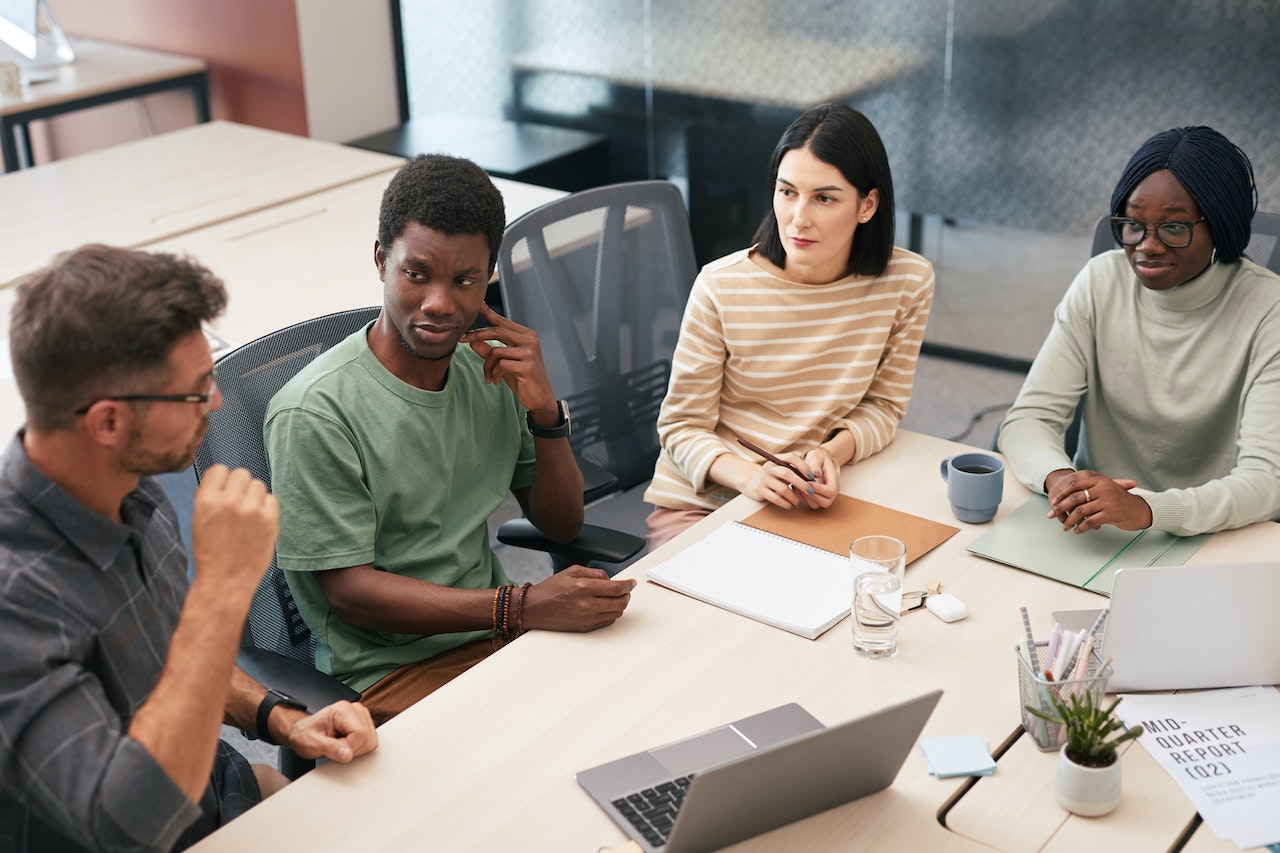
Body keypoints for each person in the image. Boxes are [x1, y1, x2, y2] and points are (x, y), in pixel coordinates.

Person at [0, 245, 378, 853]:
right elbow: (130, 822)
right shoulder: (16, 599)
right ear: (106, 423)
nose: (218, 403)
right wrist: (224, 587)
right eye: (196, 390)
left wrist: (281, 718)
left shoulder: (131, 489)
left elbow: (175, 665)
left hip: (210, 792)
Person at [264, 154, 636, 725]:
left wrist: (543, 409)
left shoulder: (487, 369)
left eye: (464, 280)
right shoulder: (315, 411)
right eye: (417, 274)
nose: (440, 304)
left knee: (632, 707)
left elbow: (561, 526)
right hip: (390, 674)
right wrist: (520, 606)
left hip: (497, 635)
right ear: (381, 260)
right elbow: (349, 593)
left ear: (487, 276)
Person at [642, 103, 936, 547]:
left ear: (867, 205)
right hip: (707, 503)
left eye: (824, 198)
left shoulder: (907, 282)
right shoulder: (722, 286)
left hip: (814, 497)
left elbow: (884, 407)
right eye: (787, 192)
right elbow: (681, 428)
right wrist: (752, 478)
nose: (798, 218)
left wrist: (829, 453)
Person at [998, 126, 1280, 537]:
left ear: (1219, 224)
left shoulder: (1268, 309)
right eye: (1133, 225)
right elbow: (1029, 419)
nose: (1147, 245)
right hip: (1097, 528)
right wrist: (1062, 481)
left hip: (1219, 534)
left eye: (1174, 227)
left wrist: (1147, 509)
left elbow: (1267, 479)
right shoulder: (1100, 281)